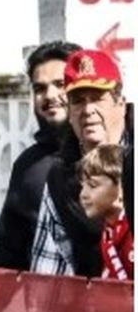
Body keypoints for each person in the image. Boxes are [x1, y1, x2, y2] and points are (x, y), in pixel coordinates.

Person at [30, 49, 133, 276]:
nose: (88, 110)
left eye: (97, 98)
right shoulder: (60, 178)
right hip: (98, 303)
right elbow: (48, 271)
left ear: (121, 105)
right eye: (78, 101)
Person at [0, 41, 80, 271]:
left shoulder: (115, 156)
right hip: (44, 300)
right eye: (39, 89)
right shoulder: (28, 166)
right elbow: (8, 250)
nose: (49, 96)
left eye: (60, 84)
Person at [77, 144, 131, 280]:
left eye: (93, 185)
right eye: (82, 185)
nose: (83, 194)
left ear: (122, 188)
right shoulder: (108, 232)